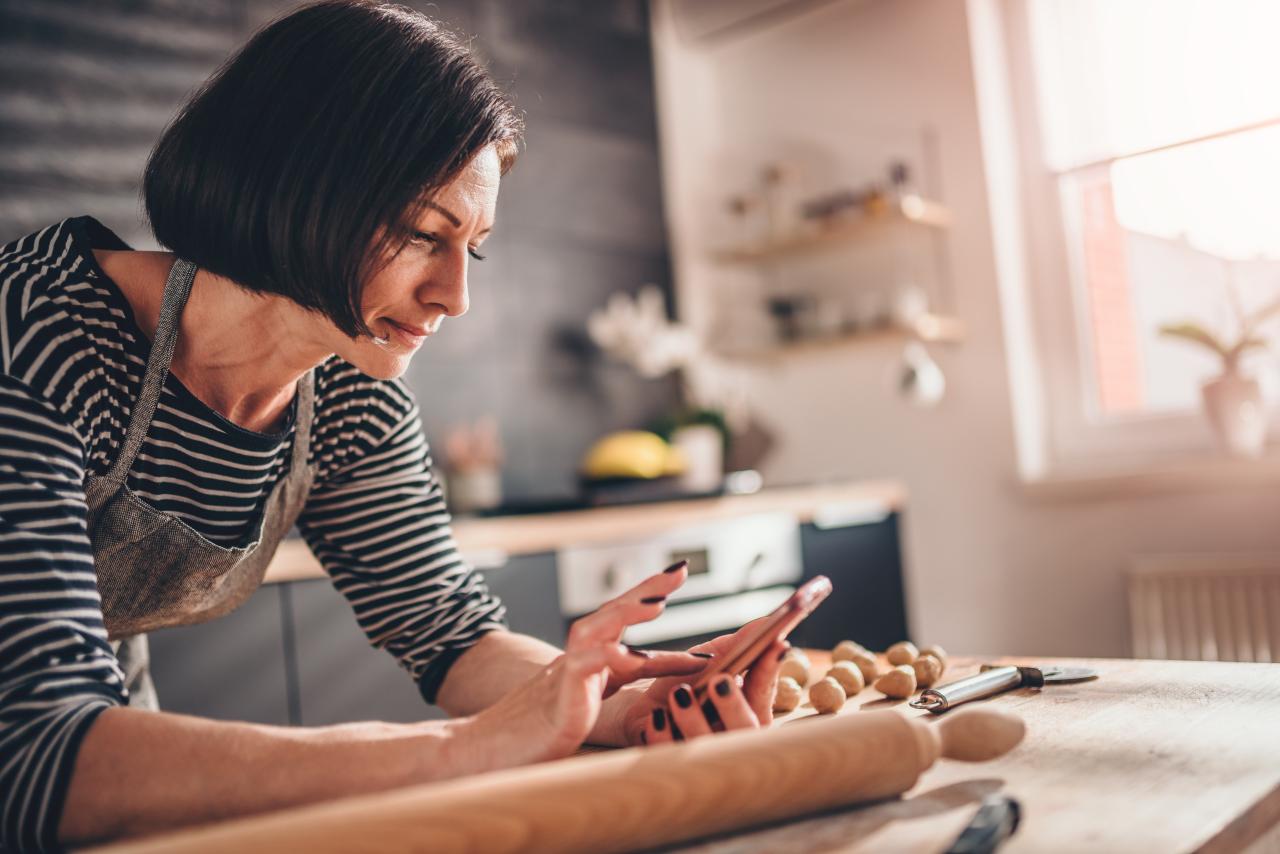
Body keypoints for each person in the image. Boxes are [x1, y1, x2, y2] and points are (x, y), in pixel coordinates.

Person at [0, 2, 788, 850]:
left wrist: (615, 705)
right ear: (294, 183)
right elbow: (38, 750)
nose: (456, 295)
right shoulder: (38, 334)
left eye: (471, 248)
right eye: (423, 234)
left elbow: (452, 636)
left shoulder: (347, 394)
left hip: (115, 772)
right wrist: (467, 749)